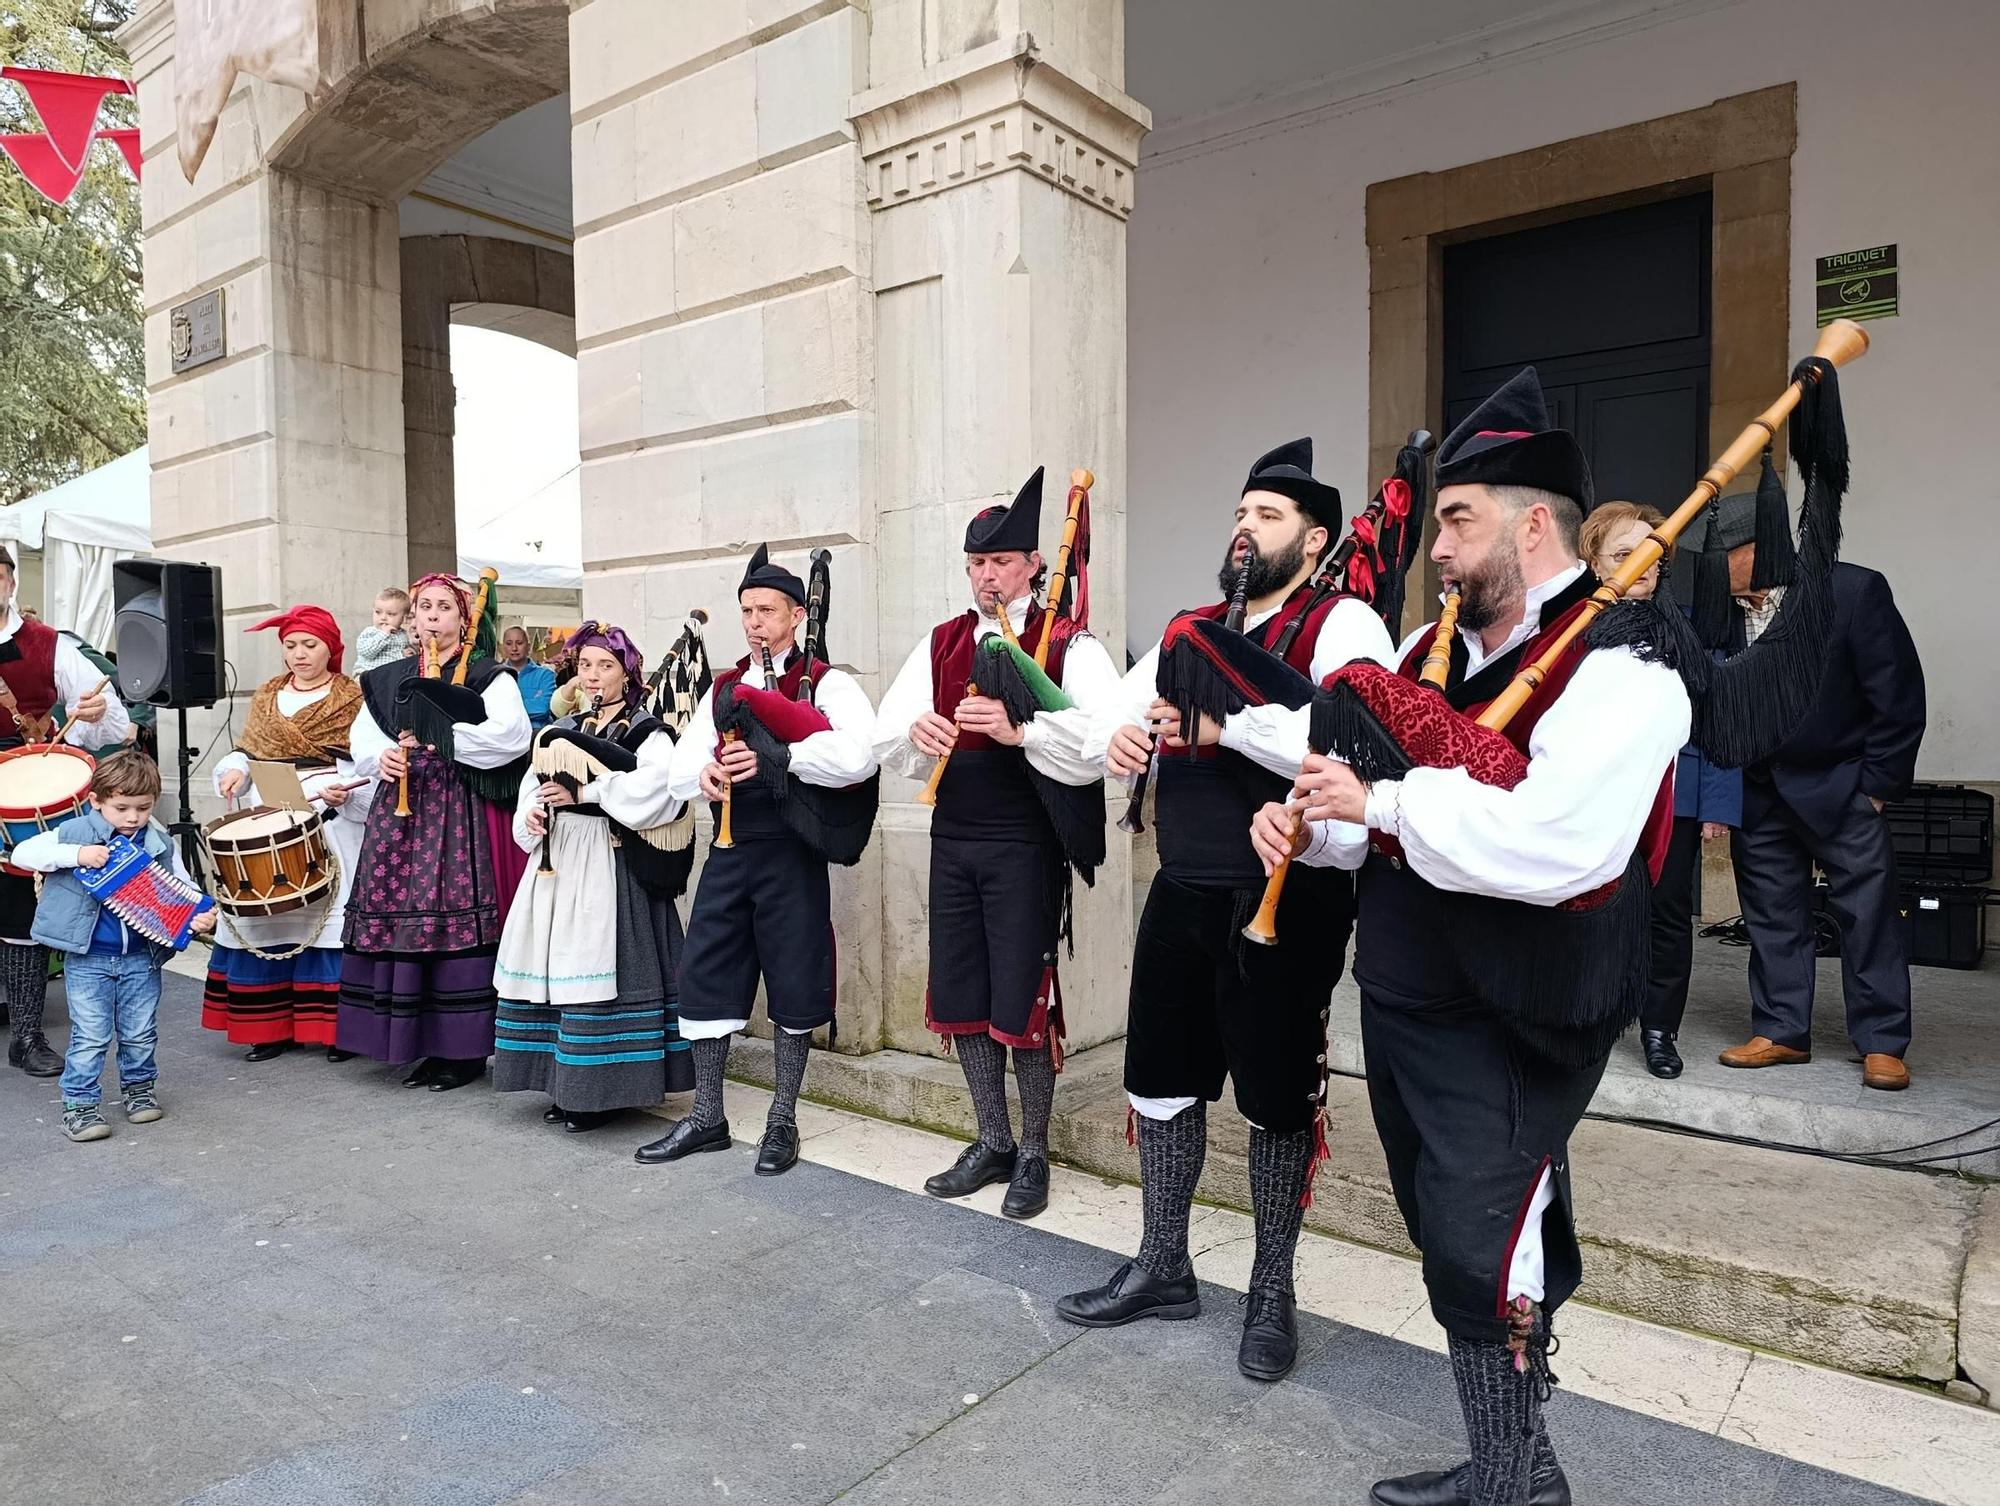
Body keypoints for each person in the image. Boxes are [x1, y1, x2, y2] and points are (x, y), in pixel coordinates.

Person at [1255, 369, 1687, 1505]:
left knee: (1488, 1233)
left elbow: (1560, 848)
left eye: (1456, 520)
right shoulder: (1416, 660)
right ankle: (1511, 1465)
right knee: (1447, 1236)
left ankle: (1509, 1483)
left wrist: (1383, 805)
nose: (1434, 550)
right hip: (1406, 993)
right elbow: (1361, 827)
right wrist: (1307, 829)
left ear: (1531, 522)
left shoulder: (1625, 665)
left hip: (1520, 1007)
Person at [1058, 439, 1396, 1383]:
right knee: (1159, 1080)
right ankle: (1165, 1263)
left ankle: (1272, 1290)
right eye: (1241, 512)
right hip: (1185, 884)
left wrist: (1219, 720)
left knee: (1278, 1099)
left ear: (1315, 538)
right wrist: (1121, 733)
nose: (1246, 529)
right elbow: (1101, 726)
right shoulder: (1190, 626)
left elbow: (1346, 744)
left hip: (1291, 895)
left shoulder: (1346, 625)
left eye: (1270, 516)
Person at [872, 467, 1118, 1220]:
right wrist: (916, 732)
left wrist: (1024, 730)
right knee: (964, 995)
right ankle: (992, 1138)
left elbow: (1105, 739)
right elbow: (887, 731)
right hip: (955, 841)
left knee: (1022, 1001)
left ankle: (1035, 1150)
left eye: (1001, 563)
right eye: (977, 564)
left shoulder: (1067, 643)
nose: (987, 576)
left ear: (1034, 565)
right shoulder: (945, 641)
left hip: (1024, 846)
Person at [635, 544, 878, 1176]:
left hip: (791, 854)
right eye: (746, 610)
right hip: (729, 849)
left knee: (795, 982)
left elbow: (859, 758)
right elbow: (678, 768)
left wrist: (782, 759)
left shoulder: (828, 683)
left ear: (797, 614)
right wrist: (708, 773)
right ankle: (708, 1117)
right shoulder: (724, 686)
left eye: (766, 610)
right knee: (706, 974)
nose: (753, 622)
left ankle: (782, 1120)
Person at [1708, 501, 1926, 1089]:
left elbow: (1899, 697)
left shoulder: (1853, 591)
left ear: (1758, 549)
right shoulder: (1716, 610)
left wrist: (1875, 789)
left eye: (1718, 556)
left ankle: (1882, 1041)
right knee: (1773, 916)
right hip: (1759, 788)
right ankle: (1781, 1031)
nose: (1708, 569)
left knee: (1868, 914)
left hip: (1842, 787)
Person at [494, 621, 695, 1131]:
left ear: (628, 674)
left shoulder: (649, 733)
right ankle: (565, 1084)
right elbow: (529, 787)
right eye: (585, 665)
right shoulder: (561, 730)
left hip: (612, 864)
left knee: (600, 966)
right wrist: (532, 817)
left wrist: (585, 795)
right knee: (557, 966)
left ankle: (604, 1090)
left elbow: (660, 794)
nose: (593, 675)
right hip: (557, 861)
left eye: (605, 665)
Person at [336, 572, 532, 1092]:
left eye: (444, 607)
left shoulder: (490, 675)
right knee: (400, 916)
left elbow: (511, 739)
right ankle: (412, 1041)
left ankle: (461, 1051)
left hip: (456, 813)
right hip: (400, 816)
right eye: (424, 606)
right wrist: (381, 759)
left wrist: (441, 737)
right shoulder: (388, 675)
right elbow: (361, 738)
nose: (432, 615)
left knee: (452, 921)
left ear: (464, 618)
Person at [1579, 502, 1732, 1080]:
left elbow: (1718, 721)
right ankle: (1590, 1020)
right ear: (1593, 563)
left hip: (1677, 795)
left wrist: (1717, 806)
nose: (1641, 565)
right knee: (1592, 907)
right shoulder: (1570, 628)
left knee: (1668, 916)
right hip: (1596, 792)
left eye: (1651, 553)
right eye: (1623, 553)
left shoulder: (1692, 627)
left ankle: (1659, 1029)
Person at [14, 750, 216, 1141]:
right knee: (90, 1035)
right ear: (97, 801)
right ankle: (79, 1104)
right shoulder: (74, 832)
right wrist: (77, 855)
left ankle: (139, 1091)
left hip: (142, 958)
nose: (132, 818)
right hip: (87, 958)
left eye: (142, 808)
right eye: (121, 807)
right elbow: (23, 853)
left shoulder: (157, 842)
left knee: (140, 1032)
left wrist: (198, 916)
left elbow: (183, 888)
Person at [202, 605, 368, 1063]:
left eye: (309, 645)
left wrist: (348, 793)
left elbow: (367, 759)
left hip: (330, 816)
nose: (299, 654)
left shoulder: (352, 697)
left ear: (331, 649)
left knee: (329, 922)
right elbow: (246, 748)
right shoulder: (269, 694)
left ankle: (338, 1031)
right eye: (291, 645)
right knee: (270, 912)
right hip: (273, 811)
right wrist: (234, 769)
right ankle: (269, 1027)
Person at [0, 547, 131, 1076]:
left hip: (30, 790)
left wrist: (96, 711)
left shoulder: (49, 644)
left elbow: (113, 725)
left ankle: (28, 1035)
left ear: (10, 582)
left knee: (22, 913)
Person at [502, 626, 558, 732]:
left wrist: (505, 708)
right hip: (505, 736)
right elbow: (491, 710)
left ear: (528, 646)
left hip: (536, 736)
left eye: (519, 643)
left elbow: (542, 708)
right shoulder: (496, 675)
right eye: (509, 643)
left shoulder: (545, 675)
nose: (514, 648)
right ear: (503, 647)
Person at [353, 587, 413, 675]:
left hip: (389, 676)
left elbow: (392, 656)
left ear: (404, 618)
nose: (383, 617)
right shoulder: (371, 632)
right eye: (378, 612)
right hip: (368, 674)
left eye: (390, 614)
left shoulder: (402, 635)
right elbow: (367, 652)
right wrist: (383, 635)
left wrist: (402, 654)